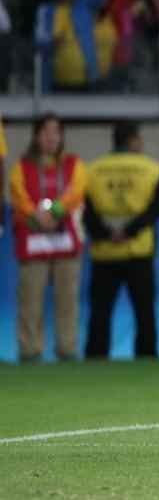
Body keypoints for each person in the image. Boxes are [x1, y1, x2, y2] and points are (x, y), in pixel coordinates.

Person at [82, 121, 159, 360]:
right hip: (138, 250)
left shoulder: (93, 170)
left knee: (100, 312)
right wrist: (129, 231)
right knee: (144, 312)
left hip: (104, 252)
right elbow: (156, 209)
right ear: (133, 140)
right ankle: (147, 358)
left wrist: (109, 234)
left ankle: (95, 360)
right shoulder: (151, 169)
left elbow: (86, 213)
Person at [9, 114, 86, 363]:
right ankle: (29, 351)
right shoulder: (22, 167)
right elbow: (18, 194)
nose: (51, 137)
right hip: (33, 241)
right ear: (35, 136)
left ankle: (67, 350)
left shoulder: (74, 164)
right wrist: (36, 216)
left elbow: (77, 190)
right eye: (45, 132)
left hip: (66, 240)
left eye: (56, 132)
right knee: (30, 300)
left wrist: (55, 211)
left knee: (67, 301)